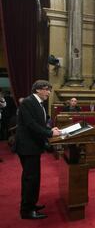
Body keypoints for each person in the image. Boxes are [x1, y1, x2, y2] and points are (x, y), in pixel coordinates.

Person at [14, 80, 61, 219]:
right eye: (47, 89)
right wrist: (50, 133)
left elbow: (39, 123)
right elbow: (30, 124)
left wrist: (49, 129)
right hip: (27, 147)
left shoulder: (37, 103)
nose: (49, 92)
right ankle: (27, 210)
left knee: (33, 177)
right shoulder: (28, 102)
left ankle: (31, 204)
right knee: (31, 178)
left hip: (32, 146)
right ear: (38, 90)